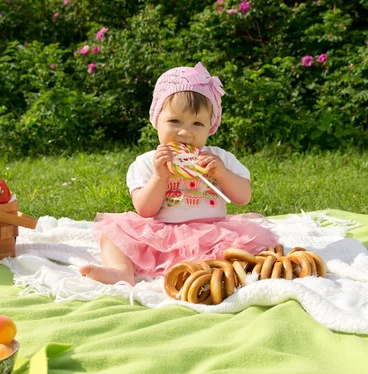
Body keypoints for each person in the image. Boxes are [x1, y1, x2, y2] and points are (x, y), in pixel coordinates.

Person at [79, 62, 278, 285]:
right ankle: (120, 271)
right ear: (157, 119)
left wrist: (222, 174)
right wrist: (159, 176)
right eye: (175, 121)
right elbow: (145, 210)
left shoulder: (219, 158)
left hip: (212, 234)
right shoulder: (147, 162)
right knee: (113, 233)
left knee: (248, 250)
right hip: (162, 234)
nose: (185, 132)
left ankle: (215, 275)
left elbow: (243, 197)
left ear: (210, 127)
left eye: (198, 124)